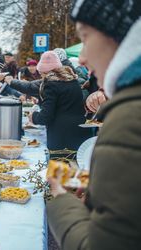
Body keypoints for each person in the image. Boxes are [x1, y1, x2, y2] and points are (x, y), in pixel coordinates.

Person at [47, 1, 141, 249]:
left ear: (123, 38)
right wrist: (93, 185)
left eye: (86, 37)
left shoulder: (130, 117)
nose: (84, 58)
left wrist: (60, 198)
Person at [29, 51, 92, 151]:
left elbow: (46, 116)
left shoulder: (50, 84)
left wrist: (34, 116)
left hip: (60, 137)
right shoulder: (72, 80)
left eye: (41, 73)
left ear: (44, 71)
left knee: (59, 165)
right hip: (79, 131)